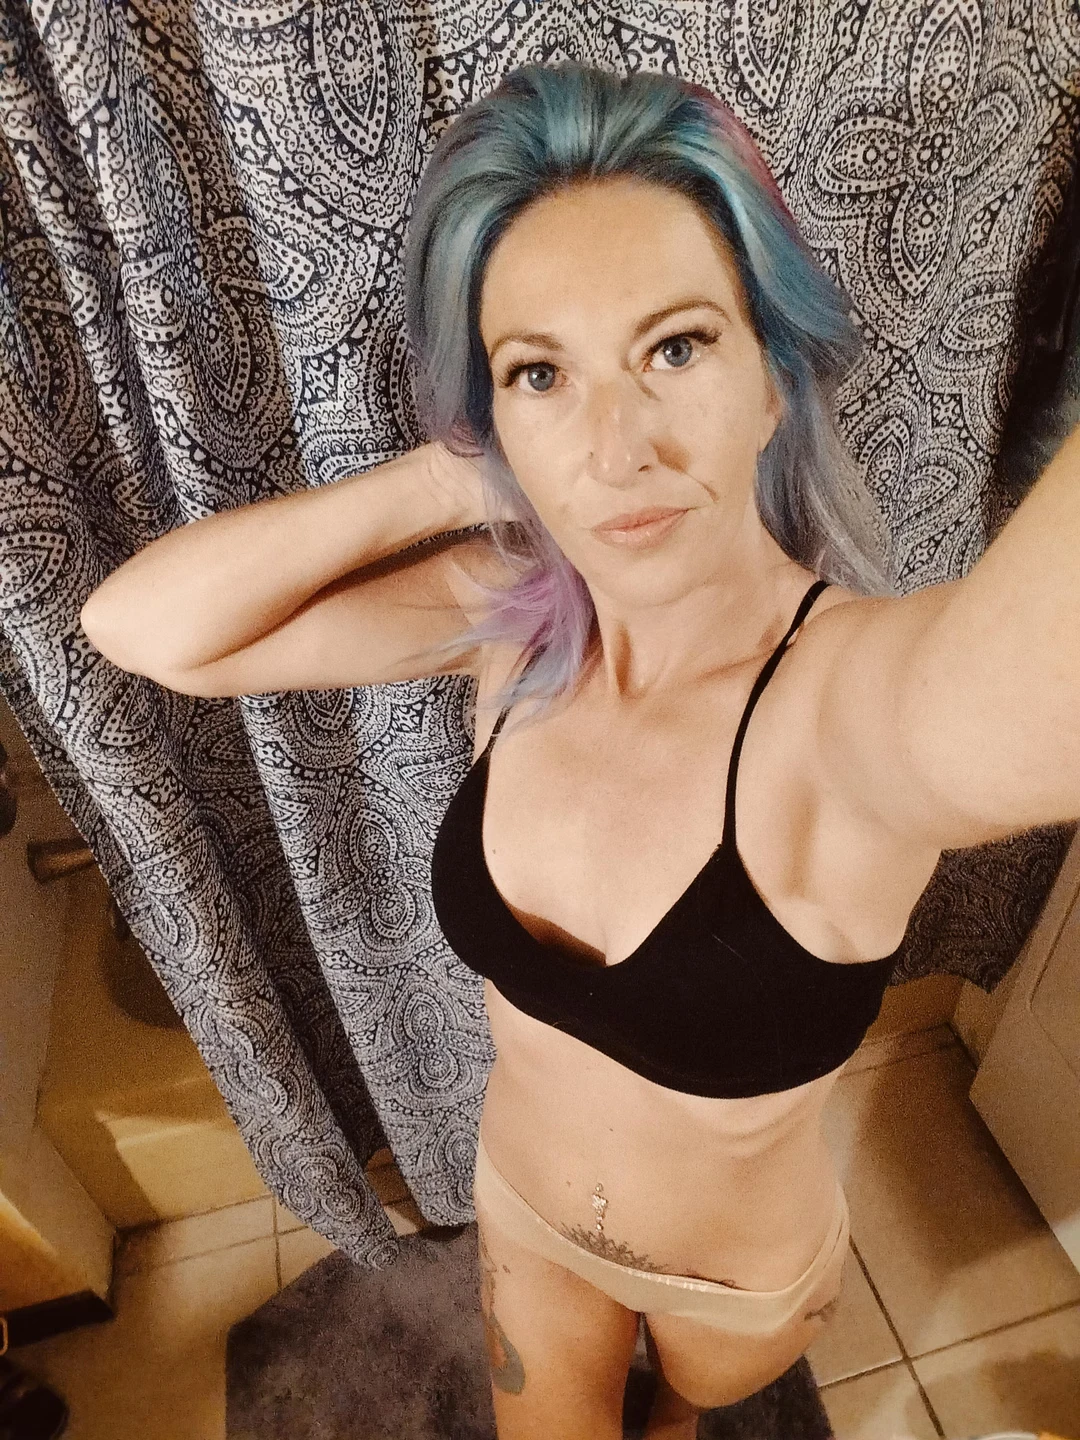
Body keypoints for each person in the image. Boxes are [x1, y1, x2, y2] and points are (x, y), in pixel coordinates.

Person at [78, 62, 1080, 1440]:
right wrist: (461, 468)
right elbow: (147, 631)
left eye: (676, 348)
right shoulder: (510, 622)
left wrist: (530, 415)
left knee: (684, 1424)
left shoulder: (851, 713)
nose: (614, 451)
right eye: (541, 372)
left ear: (774, 378)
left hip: (735, 1284)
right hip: (527, 1221)